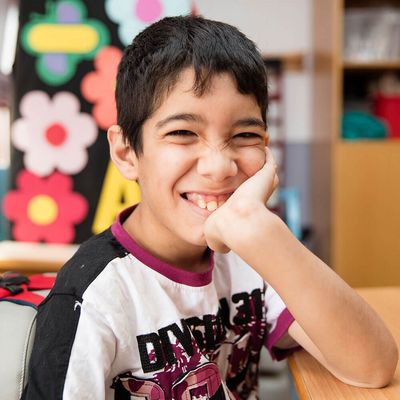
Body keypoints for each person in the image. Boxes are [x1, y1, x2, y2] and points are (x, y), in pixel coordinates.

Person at [22, 15, 398, 400]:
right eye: (183, 133)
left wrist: (271, 236)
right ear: (125, 151)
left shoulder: (254, 256)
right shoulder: (93, 298)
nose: (219, 167)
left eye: (245, 135)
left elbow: (372, 367)